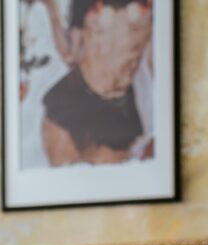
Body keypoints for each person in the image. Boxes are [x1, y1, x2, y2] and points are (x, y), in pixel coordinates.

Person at [38, 0, 154, 165]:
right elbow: (70, 55)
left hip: (119, 109)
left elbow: (157, 60)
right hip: (73, 100)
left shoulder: (148, 9)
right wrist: (52, 9)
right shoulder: (86, 6)